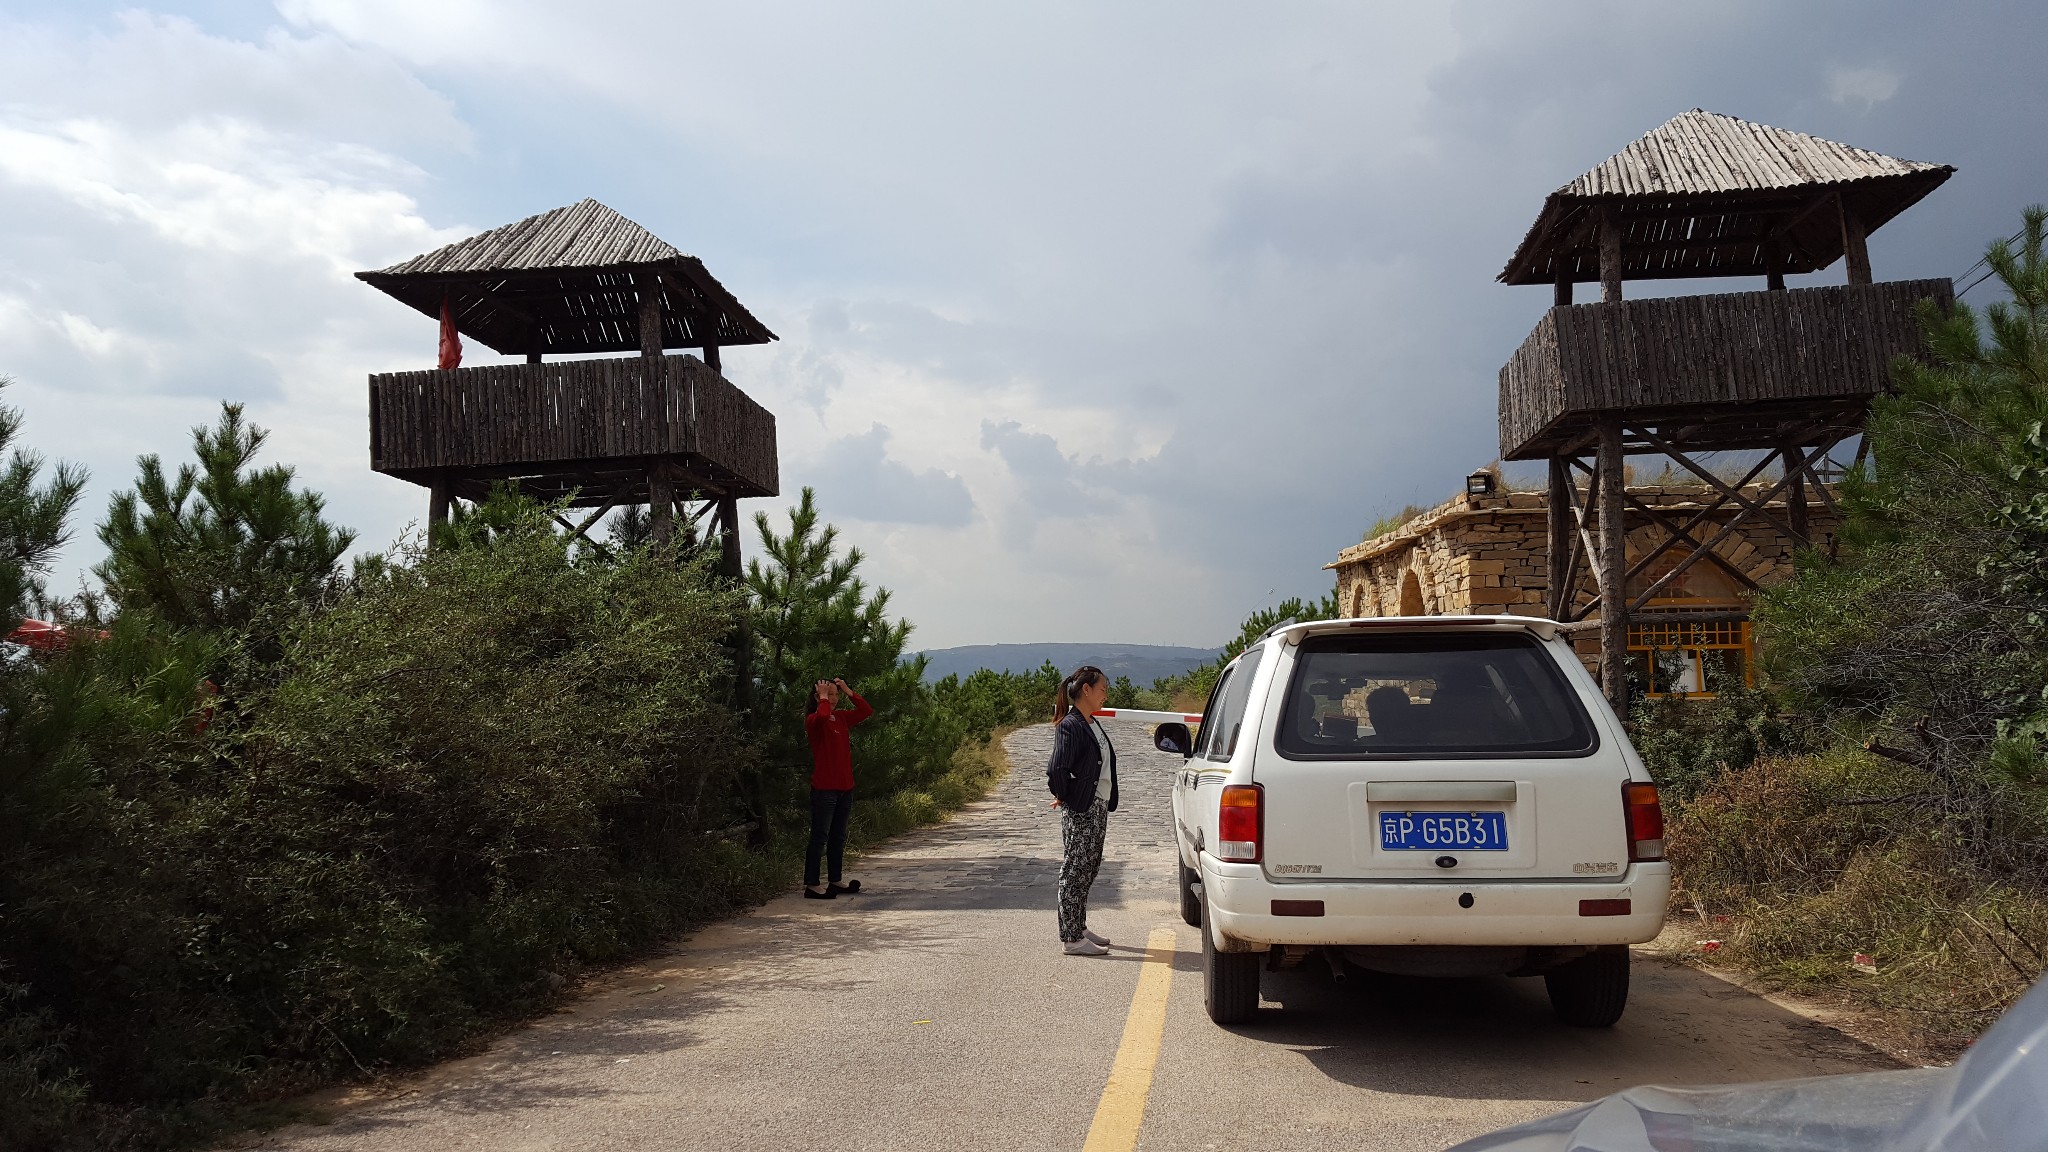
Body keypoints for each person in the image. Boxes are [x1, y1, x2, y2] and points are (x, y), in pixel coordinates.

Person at [1045, 665, 1118, 955]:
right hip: (1082, 808)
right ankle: (1072, 938)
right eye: (1102, 689)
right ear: (1086, 690)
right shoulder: (1070, 725)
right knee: (1075, 870)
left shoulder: (1091, 722)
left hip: (1097, 806)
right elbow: (1056, 769)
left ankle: (1079, 925)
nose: (1105, 695)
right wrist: (1066, 795)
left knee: (1089, 867)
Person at [803, 677, 873, 900]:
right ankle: (812, 885)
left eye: (835, 695)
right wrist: (822, 698)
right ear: (817, 697)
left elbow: (865, 710)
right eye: (829, 694)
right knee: (820, 836)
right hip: (825, 789)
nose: (833, 699)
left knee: (838, 837)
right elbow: (822, 715)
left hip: (845, 788)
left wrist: (848, 690)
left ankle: (836, 879)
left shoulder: (841, 718)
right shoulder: (814, 720)